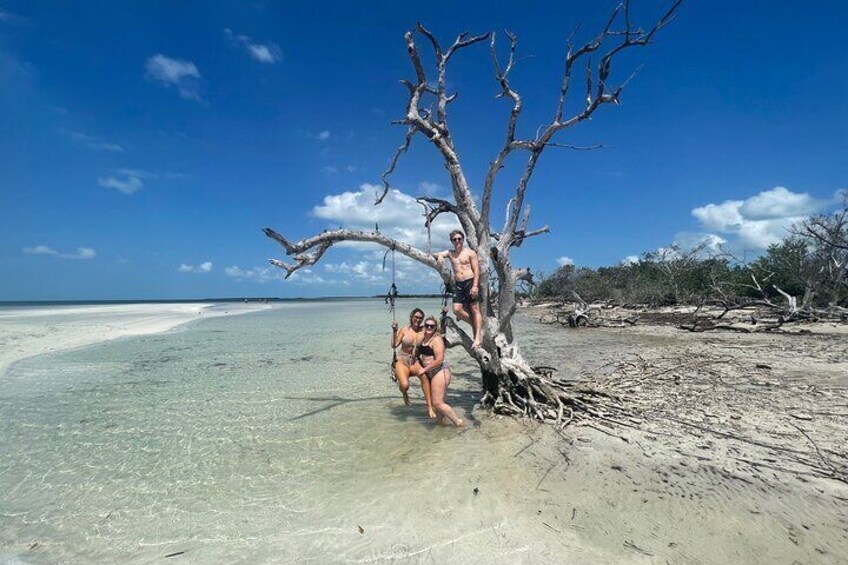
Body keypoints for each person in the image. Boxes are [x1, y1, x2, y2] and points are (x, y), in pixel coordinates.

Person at [412, 316, 464, 426]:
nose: (429, 327)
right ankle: (441, 428)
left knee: (437, 402)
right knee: (437, 403)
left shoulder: (436, 340)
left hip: (440, 372)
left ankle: (458, 422)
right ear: (424, 326)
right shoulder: (423, 338)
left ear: (435, 328)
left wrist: (424, 370)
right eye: (427, 325)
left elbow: (439, 360)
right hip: (430, 372)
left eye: (432, 326)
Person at [434, 229, 483, 347]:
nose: (457, 241)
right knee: (456, 309)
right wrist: (440, 256)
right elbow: (435, 254)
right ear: (452, 241)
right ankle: (475, 324)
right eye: (454, 239)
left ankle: (477, 337)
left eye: (459, 239)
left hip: (470, 281)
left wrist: (475, 285)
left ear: (463, 239)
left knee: (475, 309)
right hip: (459, 284)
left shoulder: (470, 253)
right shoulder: (451, 253)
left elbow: (476, 270)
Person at [392, 308, 435, 418]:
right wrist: (394, 331)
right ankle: (404, 394)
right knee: (405, 385)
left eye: (420, 318)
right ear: (411, 317)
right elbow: (394, 345)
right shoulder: (404, 329)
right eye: (416, 317)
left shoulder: (424, 330)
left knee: (424, 378)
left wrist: (444, 314)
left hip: (414, 361)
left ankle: (429, 406)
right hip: (402, 360)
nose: (418, 319)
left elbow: (438, 331)